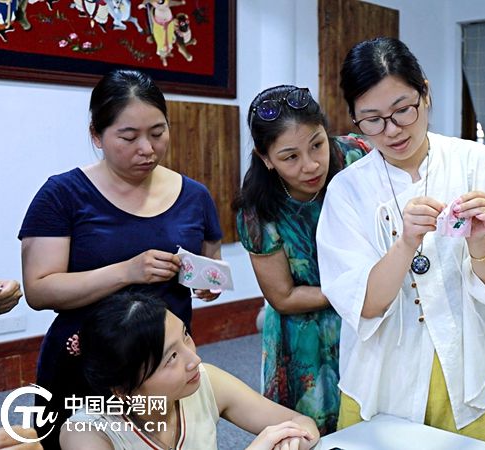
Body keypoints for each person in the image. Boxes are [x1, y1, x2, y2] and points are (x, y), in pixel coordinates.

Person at [316, 37, 485, 446]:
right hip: (383, 371)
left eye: (403, 110)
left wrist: (480, 243)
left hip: (465, 363)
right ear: (355, 119)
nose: (392, 130)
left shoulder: (473, 162)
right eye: (372, 120)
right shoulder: (348, 189)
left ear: (425, 94)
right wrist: (404, 244)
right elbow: (364, 304)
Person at [18, 69, 223, 450]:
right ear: (96, 135)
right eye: (128, 137)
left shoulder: (194, 195)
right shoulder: (62, 195)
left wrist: (207, 282)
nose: (147, 149)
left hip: (161, 372)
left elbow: (209, 260)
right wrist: (127, 271)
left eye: (158, 133)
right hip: (85, 367)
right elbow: (39, 289)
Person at [233, 85, 368, 434]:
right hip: (307, 335)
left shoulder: (357, 157)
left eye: (317, 145)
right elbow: (284, 296)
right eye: (290, 157)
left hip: (369, 320)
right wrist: (361, 290)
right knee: (312, 431)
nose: (311, 165)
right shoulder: (258, 210)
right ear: (266, 158)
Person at [59, 292, 320, 450]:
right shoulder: (85, 432)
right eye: (171, 357)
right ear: (123, 388)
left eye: (185, 336)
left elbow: (301, 423)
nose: (194, 359)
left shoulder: (204, 380)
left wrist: (292, 442)